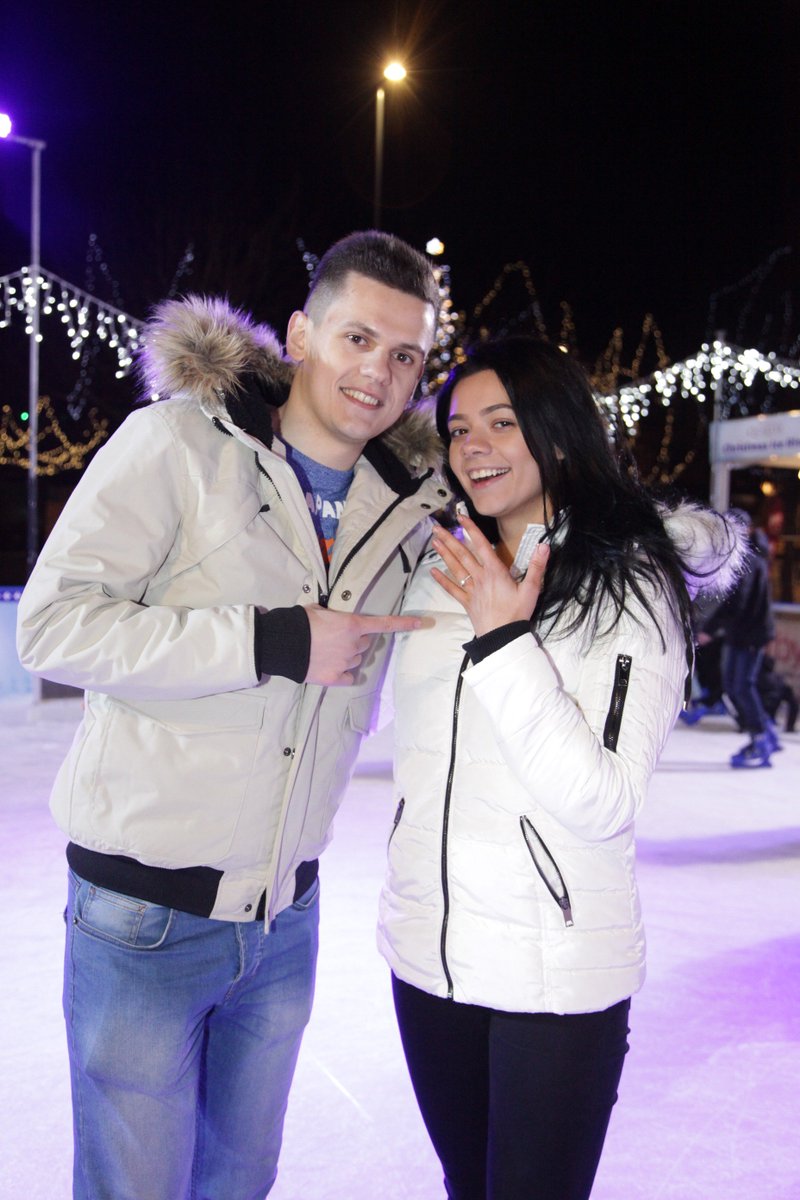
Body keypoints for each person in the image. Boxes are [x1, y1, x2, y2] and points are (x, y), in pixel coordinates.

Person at [17, 230, 449, 1200]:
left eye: (404, 355)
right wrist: (271, 641)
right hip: (143, 916)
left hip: (283, 920)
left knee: (239, 1185)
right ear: (300, 334)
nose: (377, 372)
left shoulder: (401, 508)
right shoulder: (177, 443)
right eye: (356, 338)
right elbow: (52, 626)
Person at [377, 336, 744, 1200]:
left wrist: (505, 637)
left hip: (555, 977)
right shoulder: (442, 568)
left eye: (502, 423)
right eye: (459, 429)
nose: (474, 447)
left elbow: (603, 799)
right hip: (428, 957)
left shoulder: (630, 586)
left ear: (559, 430)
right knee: (467, 1184)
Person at [695, 510, 777, 767]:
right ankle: (766, 733)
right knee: (734, 685)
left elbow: (738, 602)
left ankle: (761, 738)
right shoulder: (745, 557)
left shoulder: (748, 559)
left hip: (750, 634)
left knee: (741, 686)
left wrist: (710, 629)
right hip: (740, 633)